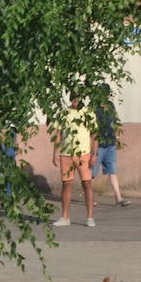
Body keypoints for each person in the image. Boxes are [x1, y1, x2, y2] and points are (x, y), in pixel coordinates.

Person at [52, 95, 96, 227]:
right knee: (66, 184)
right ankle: (65, 217)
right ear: (71, 99)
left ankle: (90, 217)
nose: (76, 102)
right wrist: (55, 152)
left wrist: (94, 154)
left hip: (83, 153)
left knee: (87, 183)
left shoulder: (88, 113)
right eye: (74, 99)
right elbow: (58, 134)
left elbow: (94, 134)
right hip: (66, 153)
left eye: (79, 99)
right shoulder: (64, 113)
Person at [93, 98, 131, 207]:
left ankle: (119, 199)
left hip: (110, 143)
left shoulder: (110, 105)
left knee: (112, 171)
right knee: (91, 174)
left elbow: (114, 122)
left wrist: (116, 138)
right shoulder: (94, 107)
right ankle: (90, 198)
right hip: (99, 144)